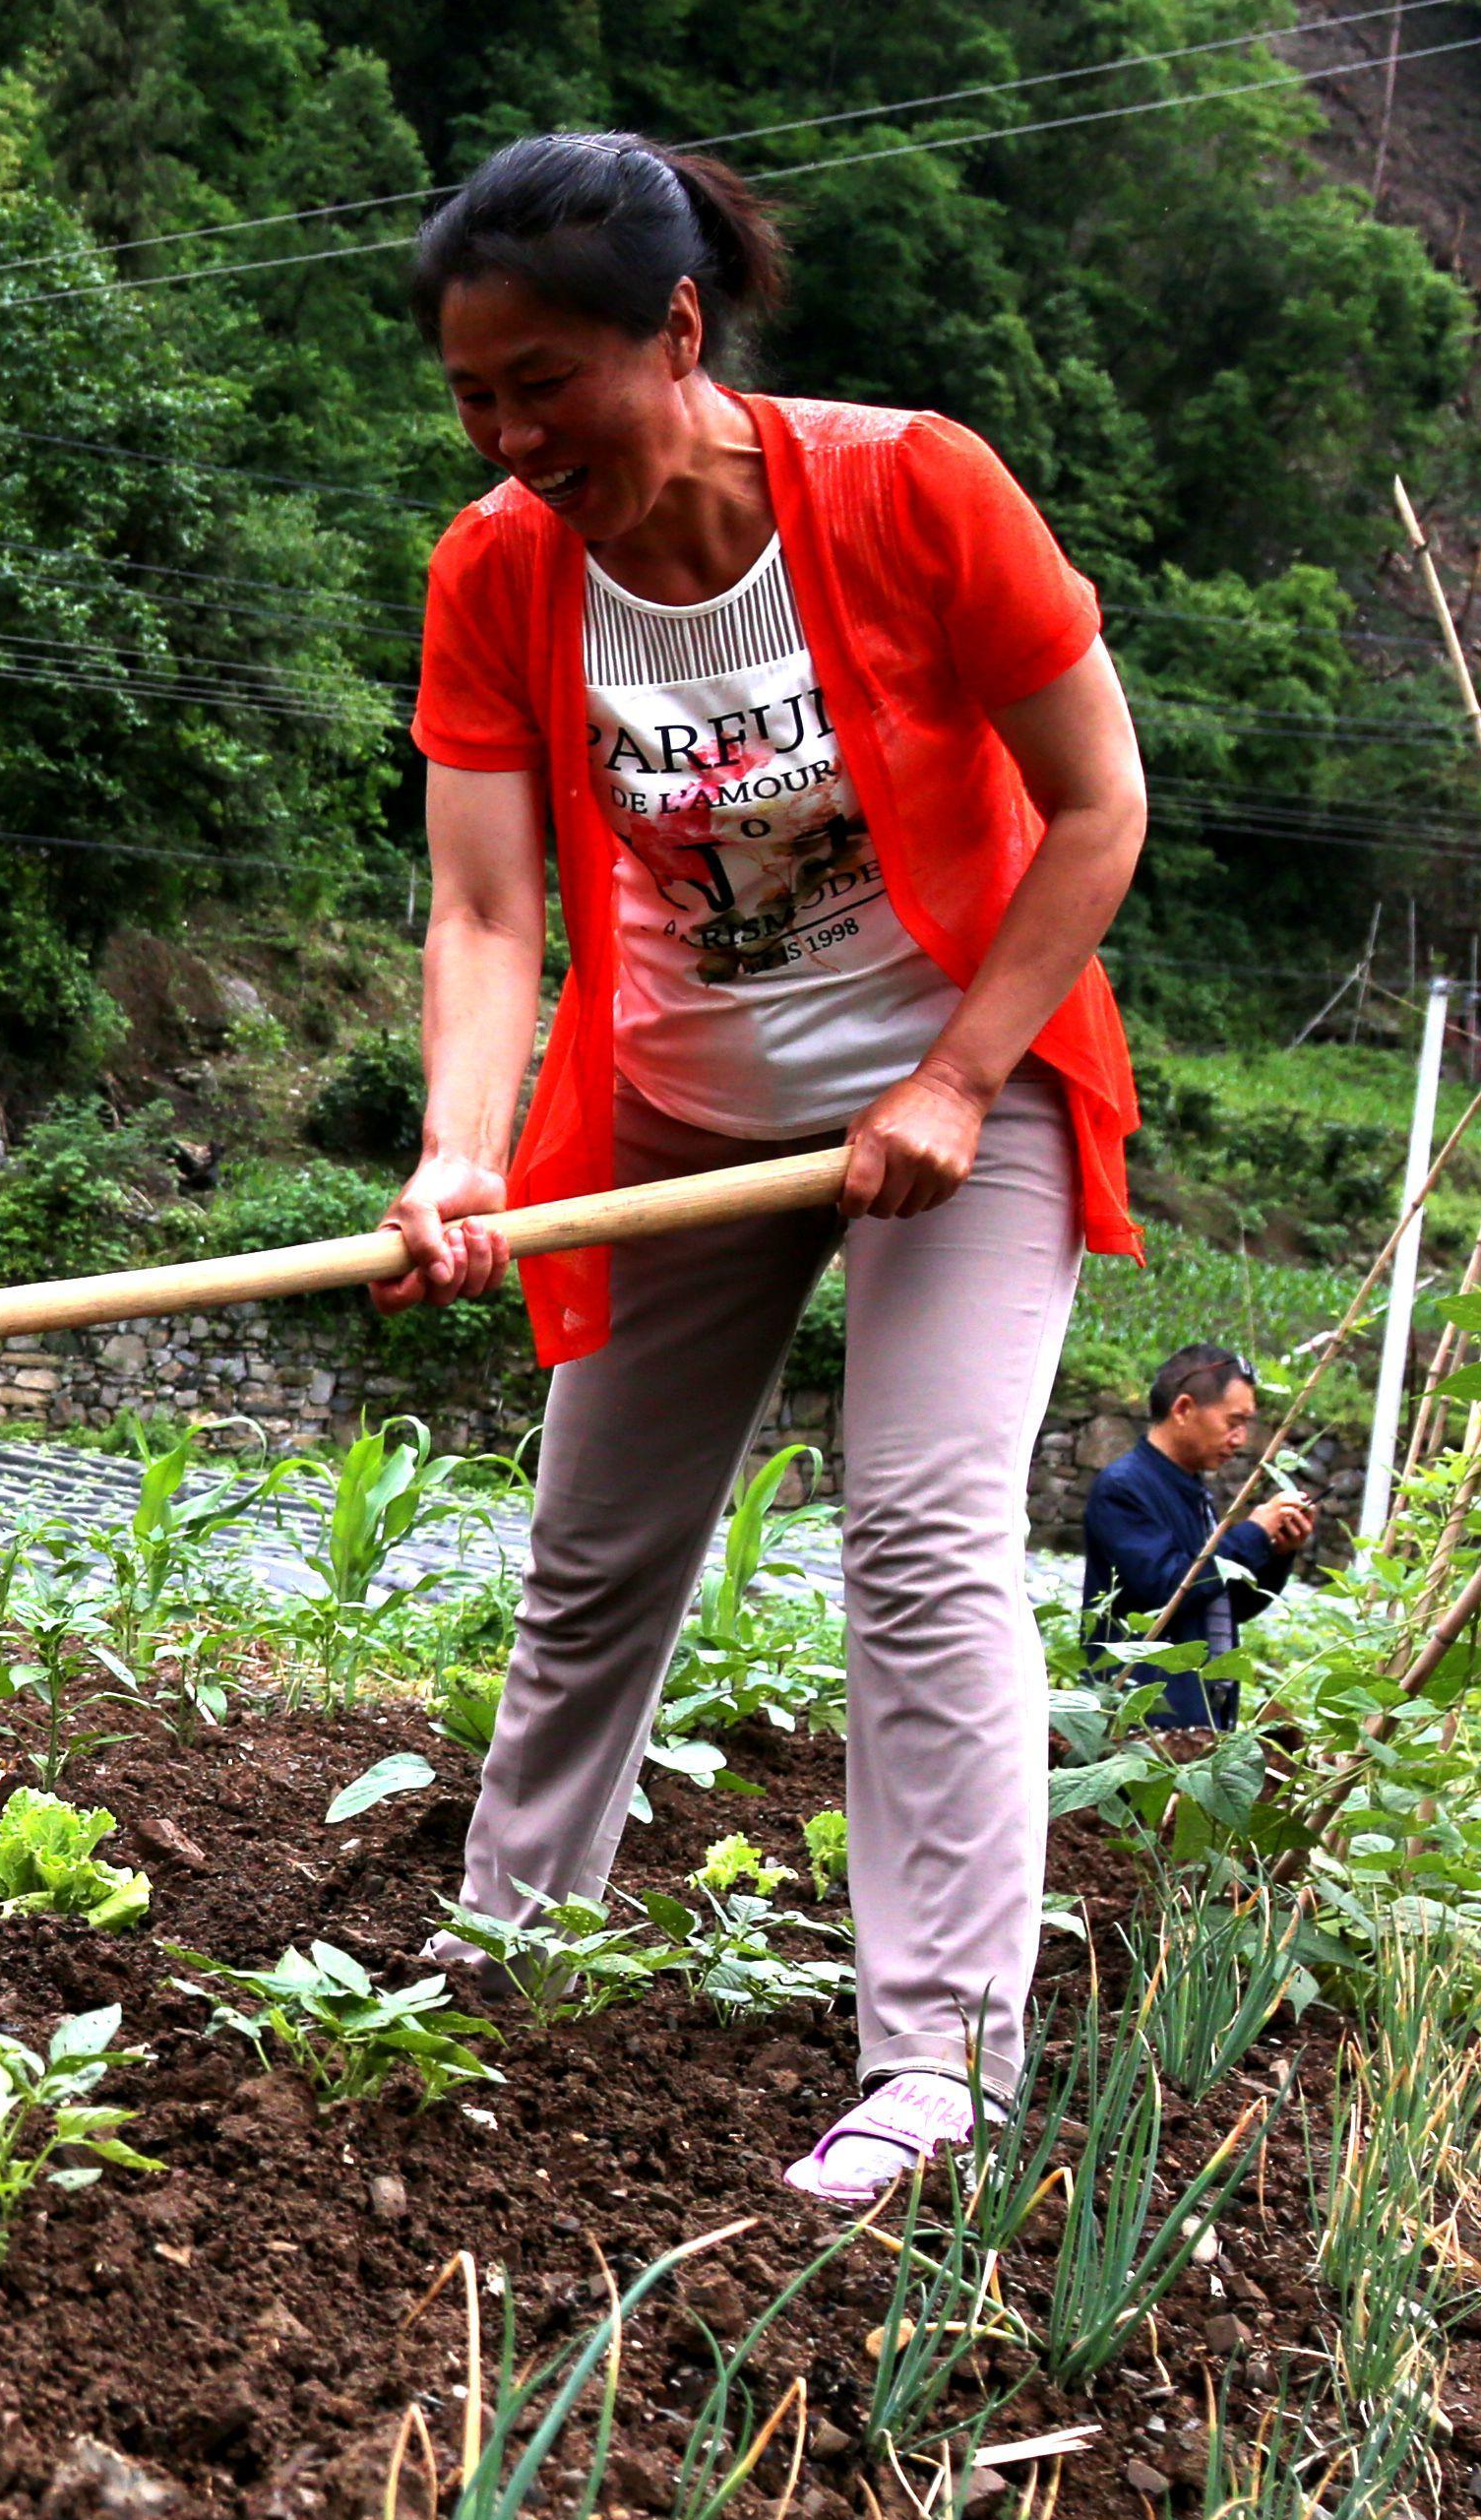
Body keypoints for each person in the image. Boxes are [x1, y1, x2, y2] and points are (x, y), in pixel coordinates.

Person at [373, 129, 1153, 2211]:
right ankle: (501, 1953)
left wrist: (956, 1077)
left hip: (960, 1091)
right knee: (596, 1550)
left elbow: (1097, 806)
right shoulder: (502, 567)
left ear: (681, 332)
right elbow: (481, 910)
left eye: (553, 382)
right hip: (680, 1106)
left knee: (916, 1534)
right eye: (477, 395)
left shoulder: (912, 488)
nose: (520, 434)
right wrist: (460, 1154)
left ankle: (946, 2071)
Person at [1080, 1346, 1320, 1729]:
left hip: (1201, 1718)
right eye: (1233, 1422)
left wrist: (1277, 1552)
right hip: (1142, 1724)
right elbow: (1169, 1588)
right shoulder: (1124, 1487)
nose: (1241, 1439)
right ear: (1183, 1409)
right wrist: (1254, 1532)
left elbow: (1220, 1605)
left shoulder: (1190, 1489)